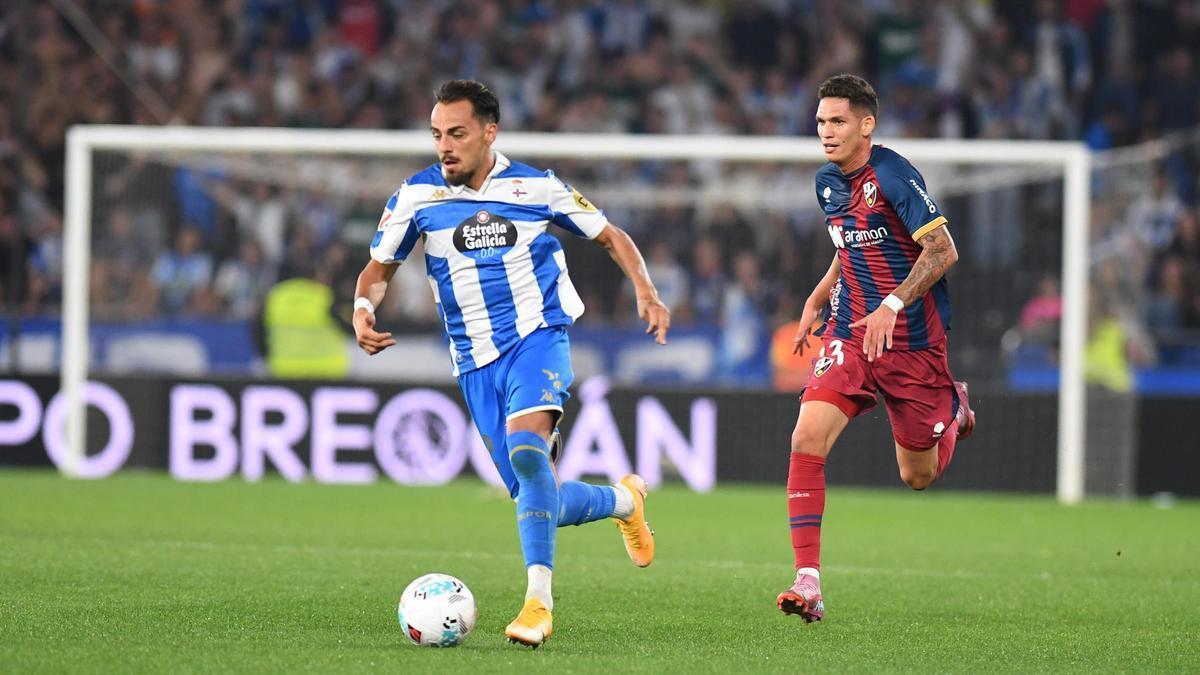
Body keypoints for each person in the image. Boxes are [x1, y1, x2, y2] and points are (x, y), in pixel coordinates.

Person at [352, 80, 670, 648]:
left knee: (527, 451)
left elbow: (610, 235)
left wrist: (645, 290)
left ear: (489, 132)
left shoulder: (536, 187)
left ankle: (537, 605)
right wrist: (362, 310)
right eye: (437, 134)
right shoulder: (416, 196)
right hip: (474, 362)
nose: (444, 146)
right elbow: (378, 270)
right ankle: (625, 500)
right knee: (536, 494)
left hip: (537, 338)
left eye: (456, 133)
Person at [777, 74, 976, 622]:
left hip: (911, 341)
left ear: (866, 124)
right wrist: (818, 296)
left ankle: (954, 410)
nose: (826, 131)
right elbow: (850, 244)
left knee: (917, 476)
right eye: (821, 121)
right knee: (806, 437)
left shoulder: (892, 174)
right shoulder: (826, 181)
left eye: (838, 121)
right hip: (850, 331)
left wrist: (891, 304)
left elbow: (943, 250)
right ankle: (808, 581)